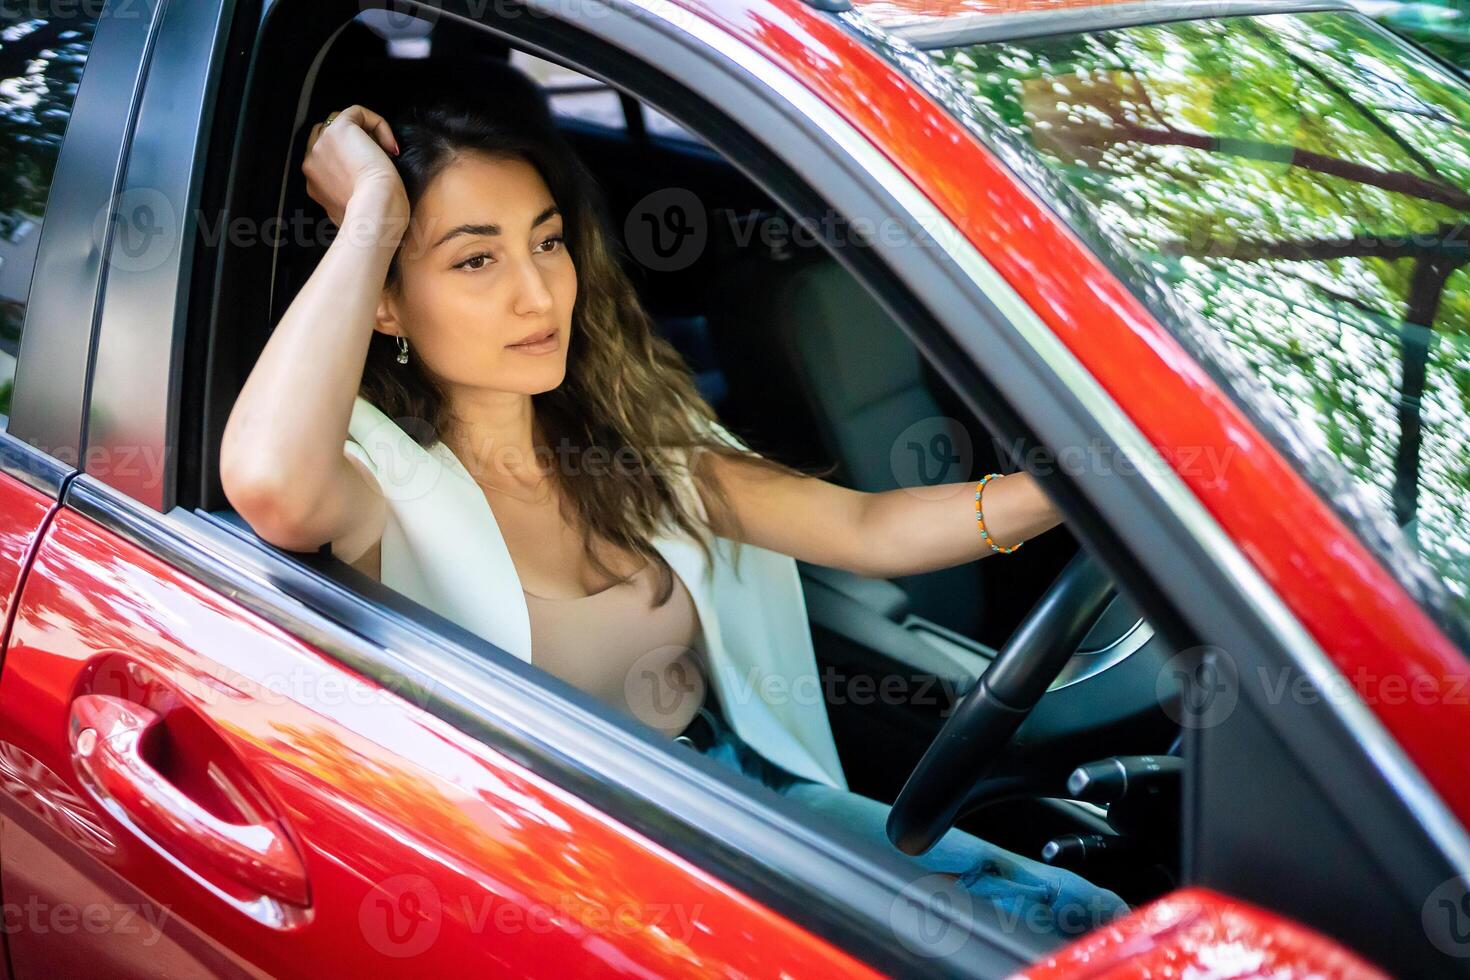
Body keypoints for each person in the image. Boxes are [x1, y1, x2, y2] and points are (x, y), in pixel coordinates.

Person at [220, 98, 1128, 941]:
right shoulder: (382, 480)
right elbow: (269, 485)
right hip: (555, 881)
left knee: (1086, 920)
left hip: (732, 804)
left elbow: (866, 532)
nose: (538, 296)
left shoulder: (633, 435)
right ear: (384, 300)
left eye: (547, 243)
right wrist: (372, 209)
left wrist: (1092, 478)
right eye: (475, 258)